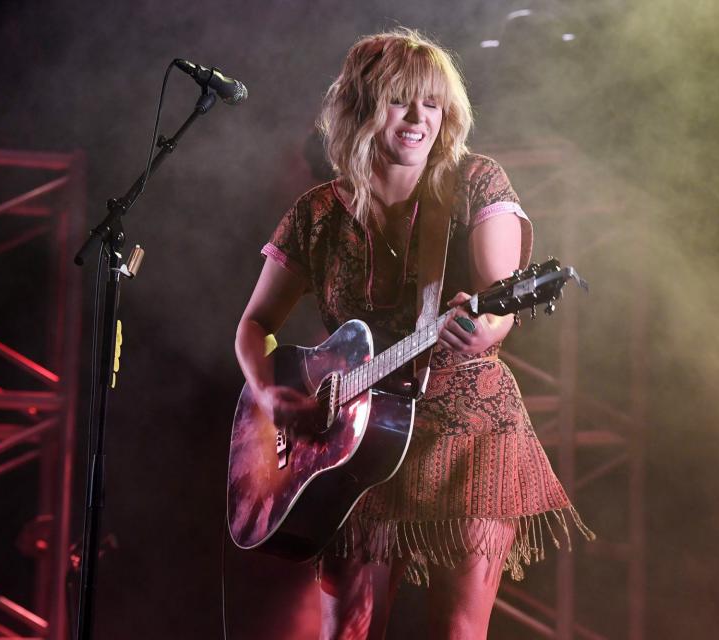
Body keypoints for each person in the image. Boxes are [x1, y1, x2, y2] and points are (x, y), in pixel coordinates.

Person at [235, 28, 593, 640]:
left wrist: (486, 326)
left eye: (432, 103)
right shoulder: (316, 213)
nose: (418, 118)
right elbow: (254, 326)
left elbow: (500, 303)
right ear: (360, 109)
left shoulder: (476, 181)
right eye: (400, 100)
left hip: (467, 432)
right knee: (346, 632)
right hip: (352, 447)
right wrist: (270, 393)